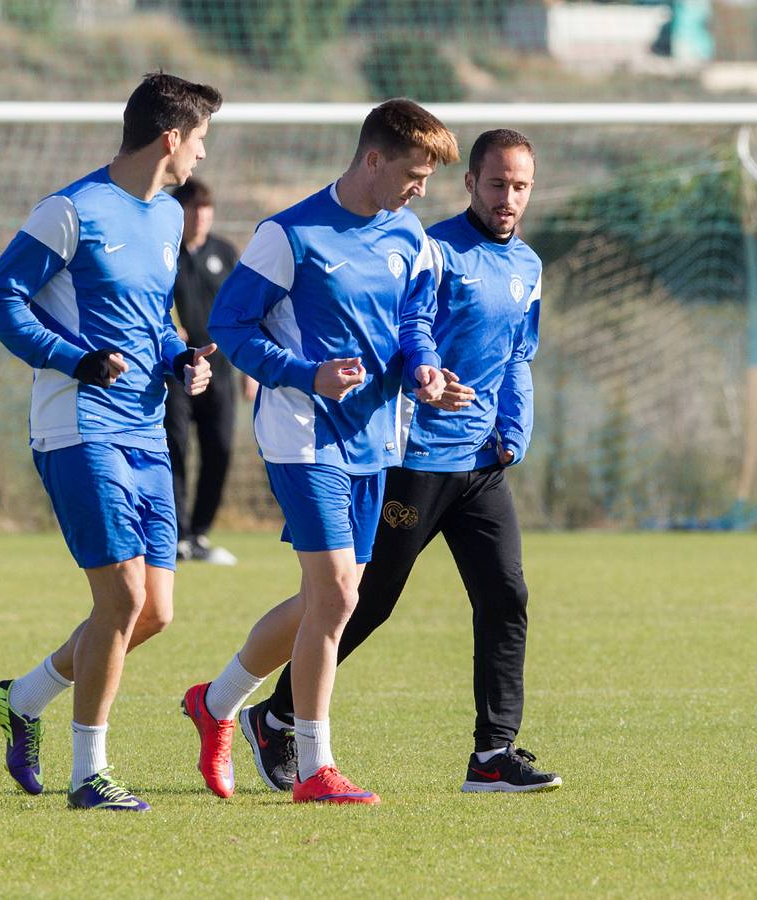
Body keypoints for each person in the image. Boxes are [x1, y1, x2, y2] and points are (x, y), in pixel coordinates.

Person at [244, 129, 560, 794]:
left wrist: (513, 423)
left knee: (507, 597)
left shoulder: (528, 265)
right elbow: (400, 333)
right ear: (471, 183)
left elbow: (518, 356)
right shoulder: (433, 249)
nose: (508, 198)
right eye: (497, 184)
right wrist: (422, 378)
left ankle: (492, 755)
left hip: (481, 465)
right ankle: (275, 718)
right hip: (410, 459)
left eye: (521, 187)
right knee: (364, 602)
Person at [179, 99, 467, 804]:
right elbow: (231, 325)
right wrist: (307, 376)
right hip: (301, 434)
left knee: (326, 597)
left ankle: (215, 705)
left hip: (376, 434)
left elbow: (414, 321)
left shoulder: (410, 236)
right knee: (338, 594)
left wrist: (424, 372)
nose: (421, 190)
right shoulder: (291, 234)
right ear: (374, 158)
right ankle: (314, 767)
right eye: (414, 173)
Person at [0, 72, 221, 811]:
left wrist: (179, 358)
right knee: (120, 597)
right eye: (201, 139)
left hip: (146, 427)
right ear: (170, 137)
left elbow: (149, 319)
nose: (204, 155)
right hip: (78, 427)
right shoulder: (70, 210)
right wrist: (72, 357)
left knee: (155, 611)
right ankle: (92, 775)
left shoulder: (168, 217)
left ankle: (23, 697)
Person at [164, 179, 246, 565]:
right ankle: (176, 535)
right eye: (193, 209)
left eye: (206, 209)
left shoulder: (225, 253)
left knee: (221, 450)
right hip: (175, 371)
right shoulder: (162, 251)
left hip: (222, 371)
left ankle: (199, 535)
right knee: (176, 447)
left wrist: (251, 368)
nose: (201, 217)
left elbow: (247, 311)